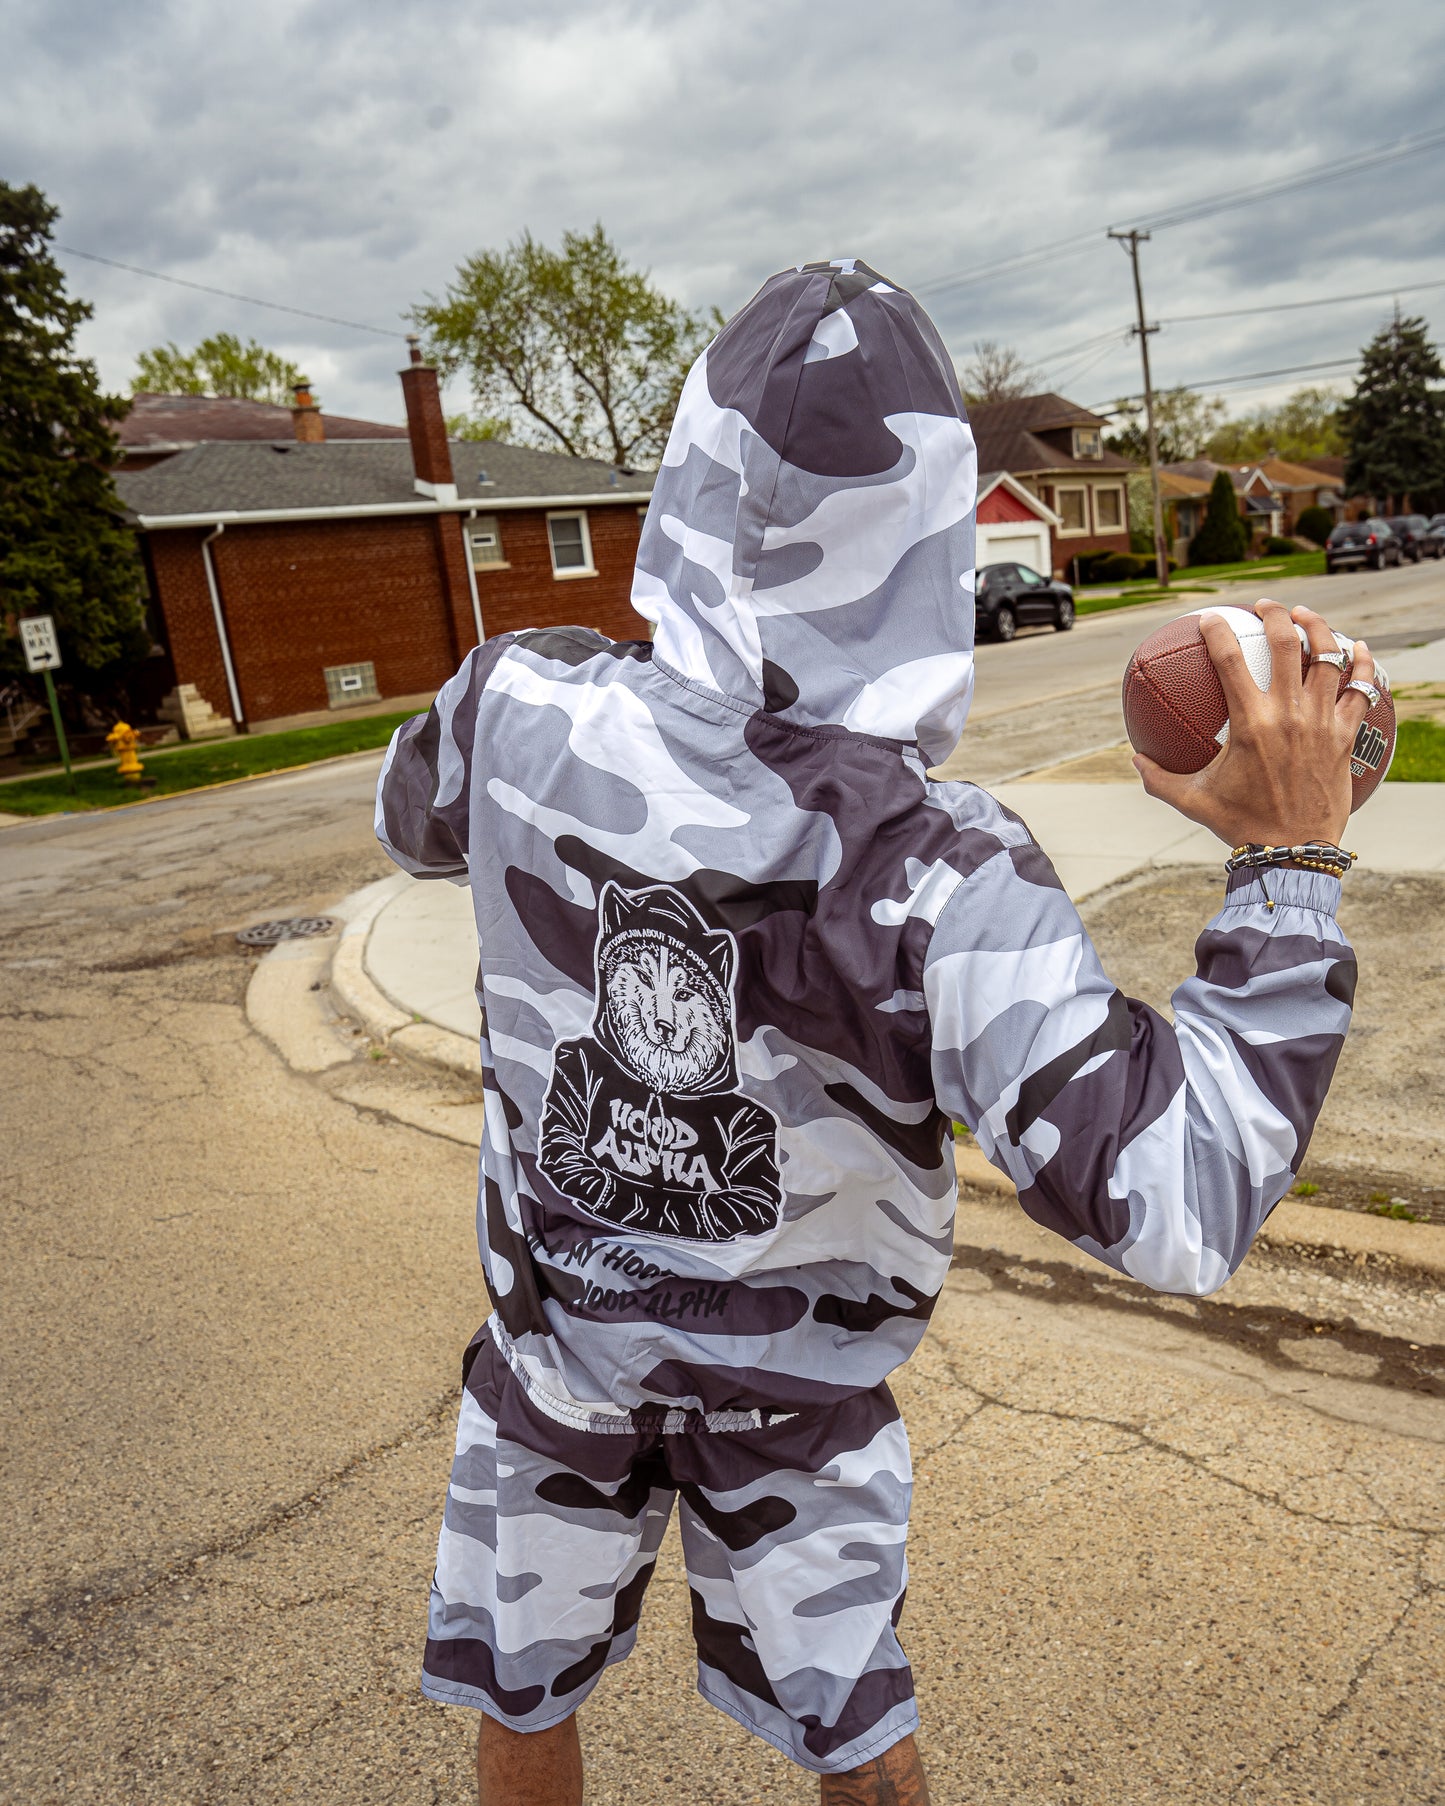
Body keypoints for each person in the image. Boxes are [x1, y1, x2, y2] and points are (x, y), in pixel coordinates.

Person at [376, 259, 1373, 1806]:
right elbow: (1174, 1200)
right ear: (923, 534)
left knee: (522, 1696)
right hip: (797, 1402)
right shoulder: (940, 873)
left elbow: (411, 815)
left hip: (558, 1350)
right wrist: (1288, 874)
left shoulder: (520, 705)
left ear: (690, 485)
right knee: (858, 1745)